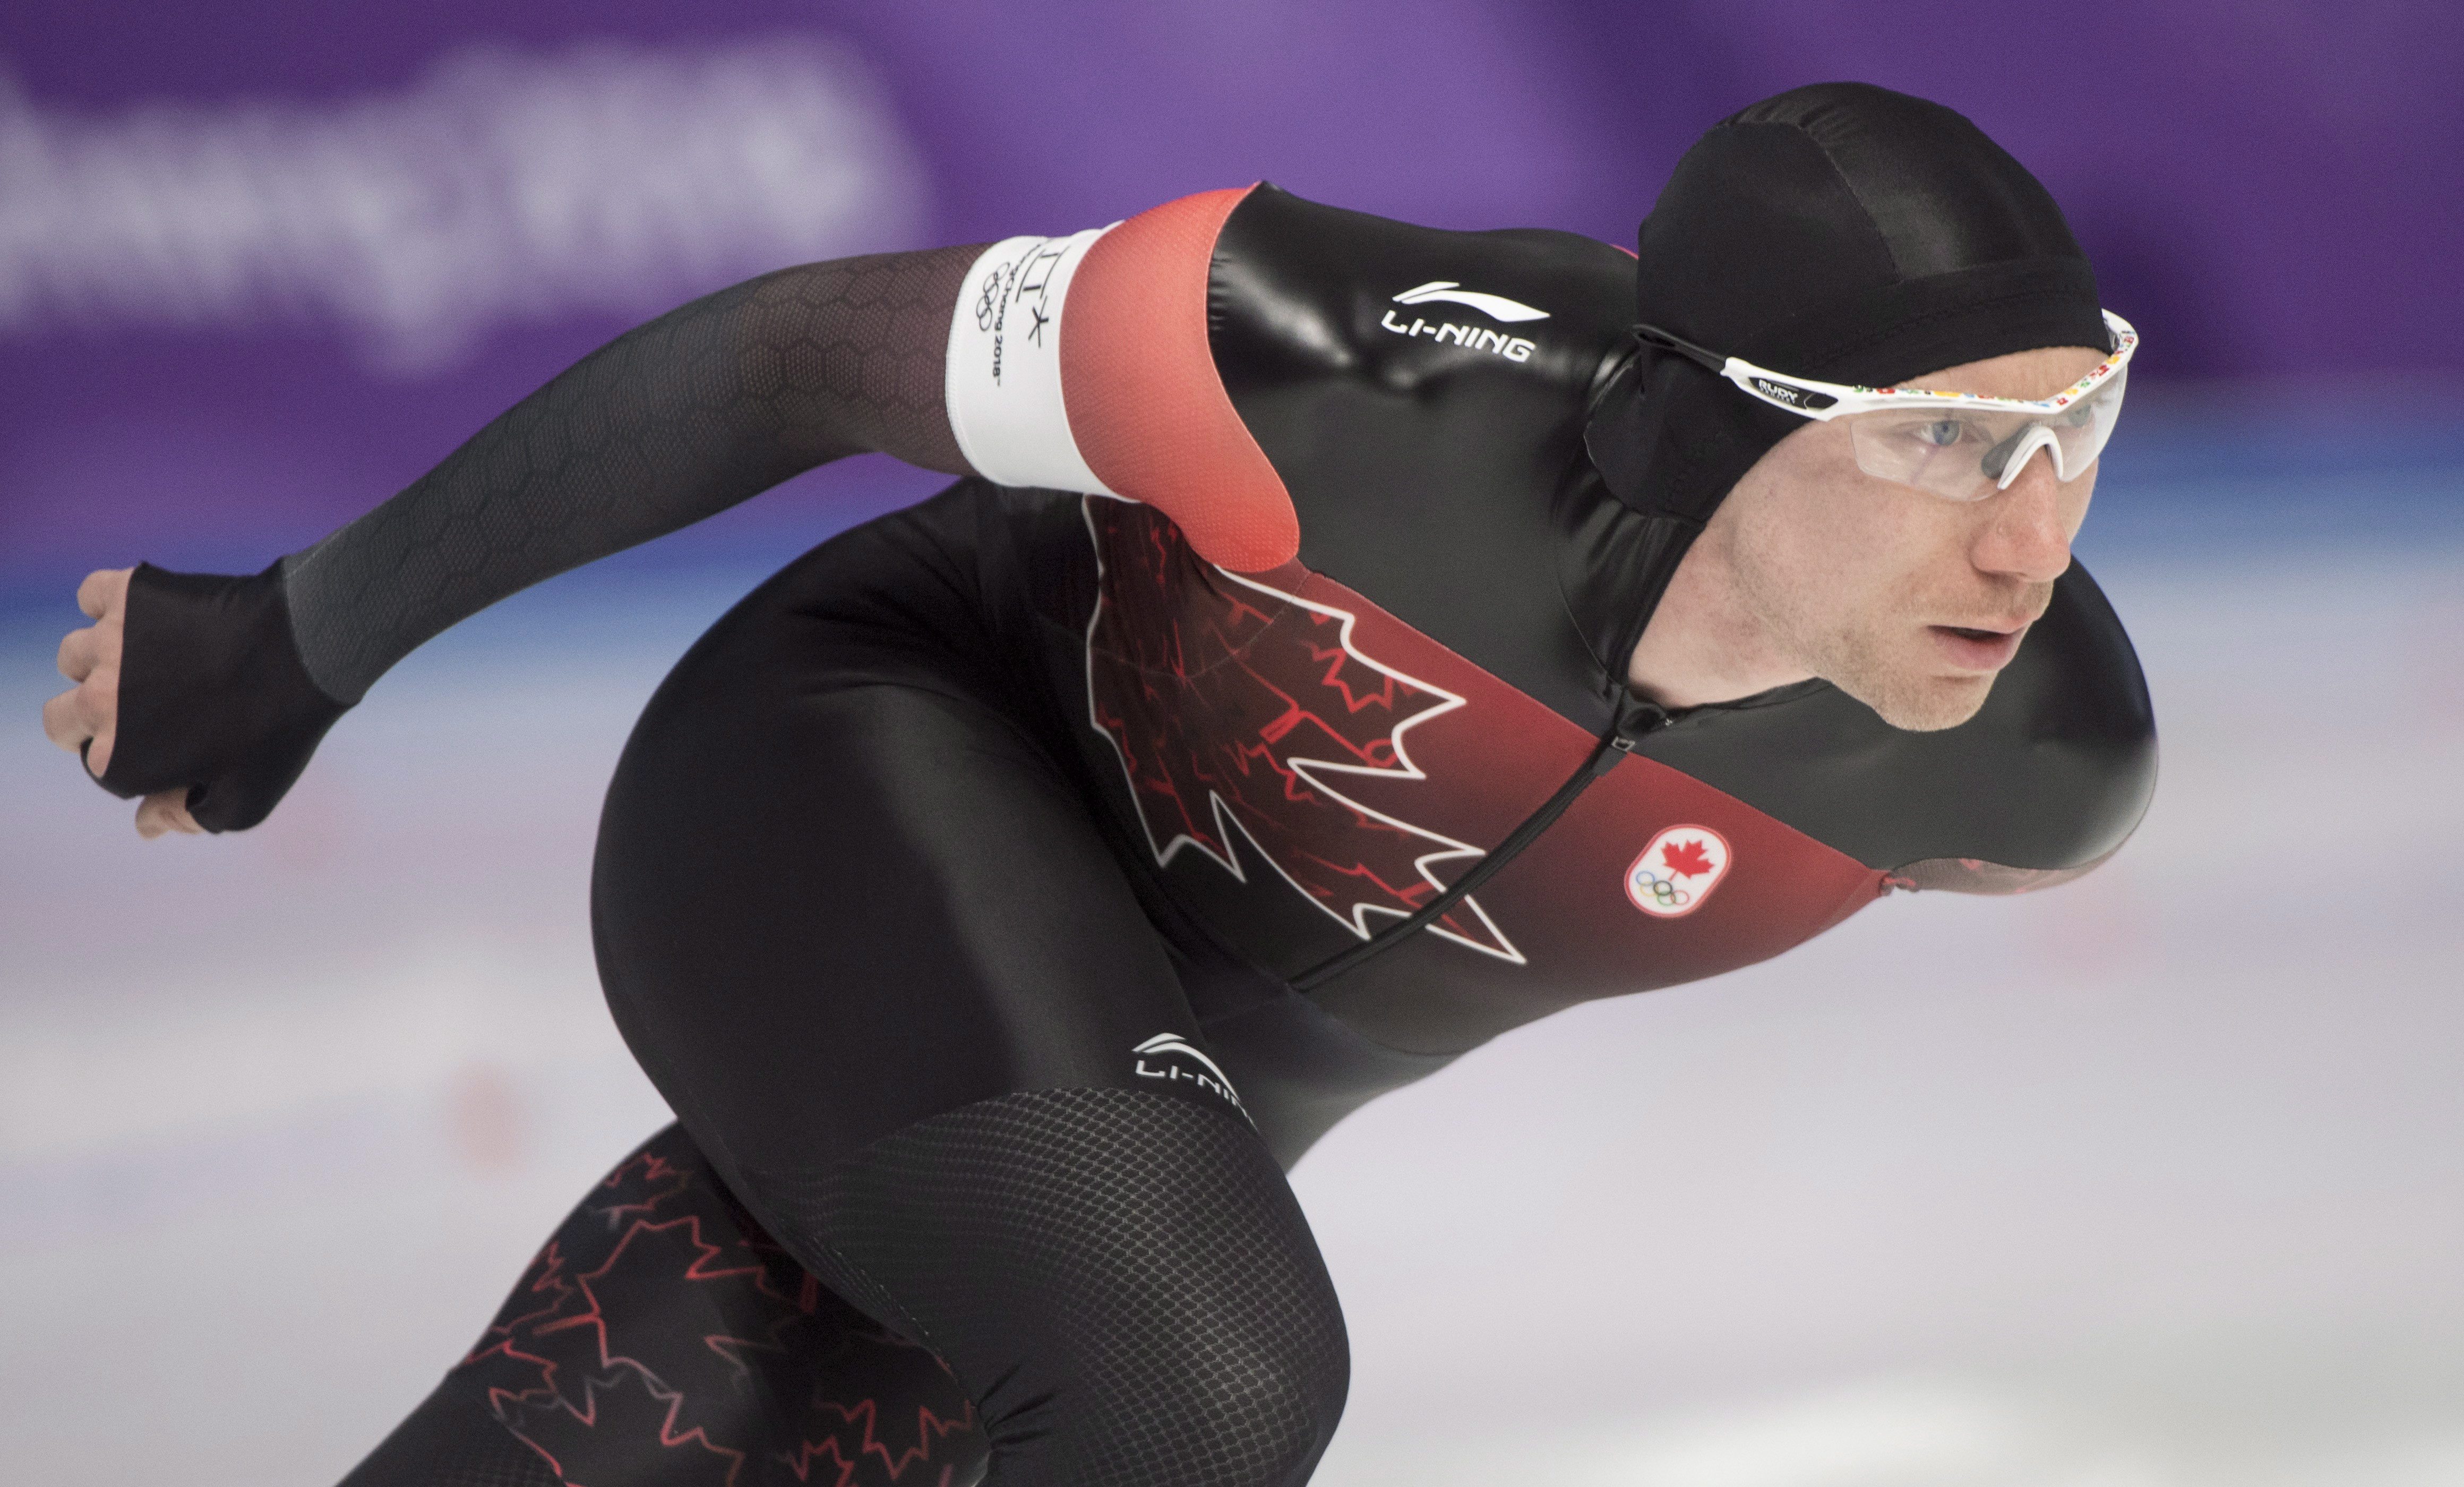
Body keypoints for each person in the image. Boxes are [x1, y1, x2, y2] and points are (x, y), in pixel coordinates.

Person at [41, 82, 2155, 1487]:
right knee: (1198, 1381)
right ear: (1708, 430)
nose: (2029, 539)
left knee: (700, 1404)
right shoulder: (1322, 364)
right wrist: (295, 641)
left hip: (1129, 1086)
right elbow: (786, 358)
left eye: (2075, 436)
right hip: (850, 782)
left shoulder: (2034, 767)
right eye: (1955, 446)